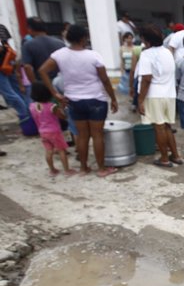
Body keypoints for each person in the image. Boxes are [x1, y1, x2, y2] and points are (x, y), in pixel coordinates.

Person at [38, 24, 119, 177]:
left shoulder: (59, 55)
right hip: (96, 100)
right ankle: (101, 169)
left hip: (74, 101)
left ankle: (83, 167)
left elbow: (42, 71)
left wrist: (54, 93)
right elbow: (105, 80)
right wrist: (113, 98)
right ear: (84, 38)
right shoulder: (93, 56)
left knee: (82, 136)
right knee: (97, 135)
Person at [137, 25, 183, 168]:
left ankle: (164, 158)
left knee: (159, 127)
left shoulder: (146, 54)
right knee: (167, 126)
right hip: (169, 94)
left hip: (154, 95)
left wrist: (140, 100)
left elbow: (146, 79)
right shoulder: (167, 52)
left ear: (147, 41)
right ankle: (175, 156)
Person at [28, 81, 76, 176]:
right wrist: (62, 107)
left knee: (49, 151)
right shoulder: (52, 106)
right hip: (54, 131)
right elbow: (63, 117)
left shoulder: (32, 106)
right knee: (61, 150)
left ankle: (52, 170)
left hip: (42, 131)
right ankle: (67, 170)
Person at [0, 24, 30, 125]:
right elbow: (6, 46)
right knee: (17, 90)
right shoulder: (2, 26)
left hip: (1, 65)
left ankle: (25, 116)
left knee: (9, 94)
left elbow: (1, 48)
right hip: (8, 62)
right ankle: (29, 113)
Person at [21, 17, 64, 83]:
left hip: (42, 82)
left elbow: (27, 67)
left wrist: (34, 84)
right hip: (61, 81)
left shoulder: (28, 45)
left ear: (30, 29)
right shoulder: (60, 43)